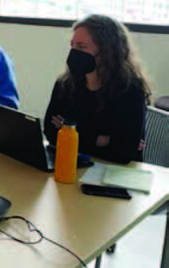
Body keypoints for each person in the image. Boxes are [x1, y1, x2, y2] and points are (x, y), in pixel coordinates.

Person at [44, 15, 151, 164]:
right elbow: (50, 133)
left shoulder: (129, 91)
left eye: (82, 47)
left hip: (115, 175)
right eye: (72, 46)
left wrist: (71, 133)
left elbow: (123, 151)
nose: (74, 53)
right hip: (72, 164)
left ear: (107, 51)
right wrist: (101, 139)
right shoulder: (65, 84)